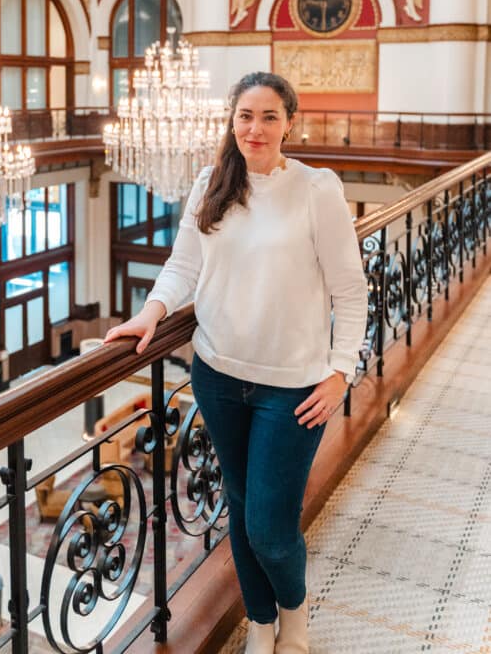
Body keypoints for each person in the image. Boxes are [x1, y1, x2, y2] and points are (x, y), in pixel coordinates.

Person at [104, 71, 367, 653]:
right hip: (218, 376)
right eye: (245, 115)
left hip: (293, 389)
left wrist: (341, 369)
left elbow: (351, 290)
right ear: (232, 120)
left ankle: (293, 618)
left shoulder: (316, 190)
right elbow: (183, 266)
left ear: (289, 123)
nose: (255, 128)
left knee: (270, 531)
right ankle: (260, 624)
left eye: (269, 116)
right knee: (242, 516)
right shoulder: (211, 181)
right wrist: (152, 312)